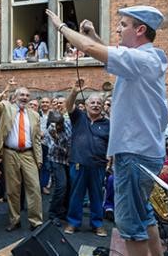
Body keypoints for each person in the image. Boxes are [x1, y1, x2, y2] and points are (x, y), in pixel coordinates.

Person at [47, 5, 167, 255]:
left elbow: (91, 50)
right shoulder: (145, 59)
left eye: (123, 25)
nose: (118, 28)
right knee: (143, 214)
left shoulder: (140, 60)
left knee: (130, 224)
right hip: (144, 152)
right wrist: (93, 35)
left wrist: (60, 26)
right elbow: (111, 54)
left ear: (140, 29)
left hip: (134, 154)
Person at [0, 69, 44, 232]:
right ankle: (15, 220)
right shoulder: (7, 107)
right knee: (13, 190)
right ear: (15, 96)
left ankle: (36, 221)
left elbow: (36, 139)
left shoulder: (34, 115)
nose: (25, 98)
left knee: (34, 188)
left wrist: (39, 158)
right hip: (10, 153)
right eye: (22, 95)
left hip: (28, 154)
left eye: (27, 96)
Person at [63, 81, 110, 237]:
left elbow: (112, 146)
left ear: (103, 106)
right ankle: (73, 223)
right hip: (78, 163)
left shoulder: (107, 124)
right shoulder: (78, 117)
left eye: (99, 103)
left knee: (96, 196)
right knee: (76, 195)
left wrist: (111, 161)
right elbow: (68, 105)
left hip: (98, 166)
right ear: (86, 105)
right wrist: (74, 91)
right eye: (92, 102)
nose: (96, 105)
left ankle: (97, 224)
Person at [43, 111, 71, 227]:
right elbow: (53, 149)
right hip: (56, 159)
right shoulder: (50, 129)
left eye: (60, 124)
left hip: (69, 159)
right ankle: (53, 213)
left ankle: (62, 211)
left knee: (69, 186)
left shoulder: (69, 124)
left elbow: (71, 142)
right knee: (61, 186)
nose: (58, 126)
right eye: (55, 124)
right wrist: (56, 138)